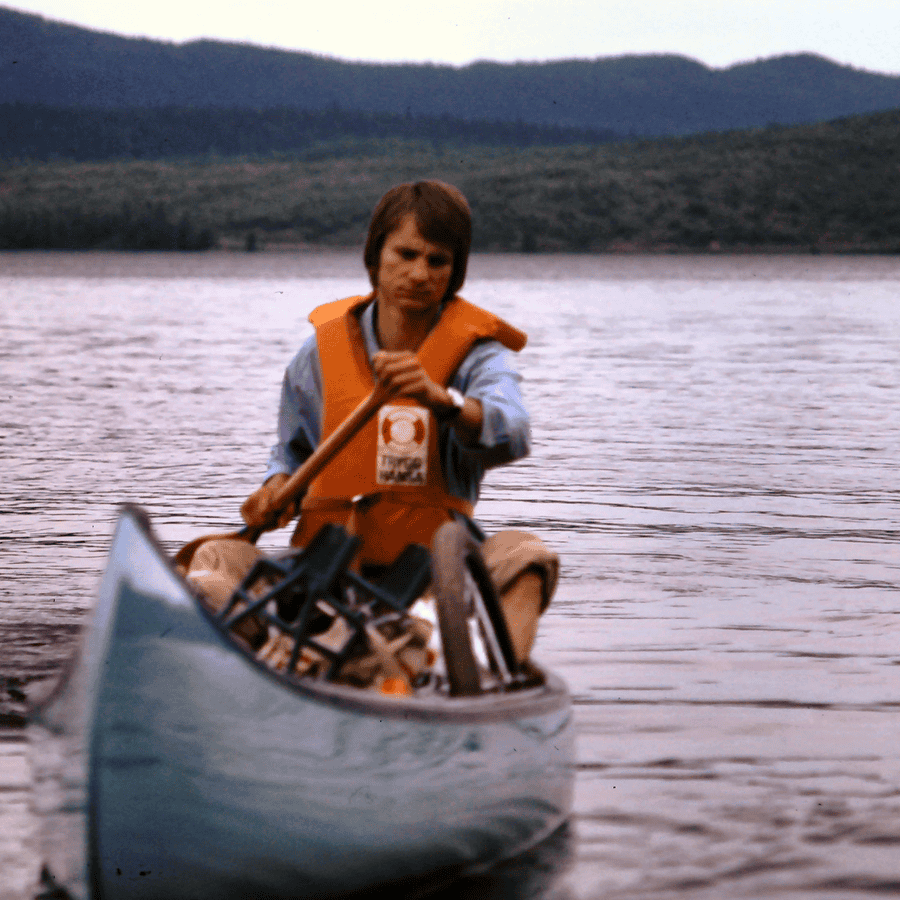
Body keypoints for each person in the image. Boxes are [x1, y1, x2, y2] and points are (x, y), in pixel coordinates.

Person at [233, 180, 557, 663]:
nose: (419, 273)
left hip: (431, 577)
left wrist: (443, 402)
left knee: (527, 555)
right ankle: (233, 672)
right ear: (374, 259)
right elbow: (292, 451)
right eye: (405, 254)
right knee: (215, 560)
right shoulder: (317, 355)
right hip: (324, 567)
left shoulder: (478, 356)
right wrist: (275, 487)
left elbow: (513, 430)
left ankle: (488, 687)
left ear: (455, 273)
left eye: (437, 261)